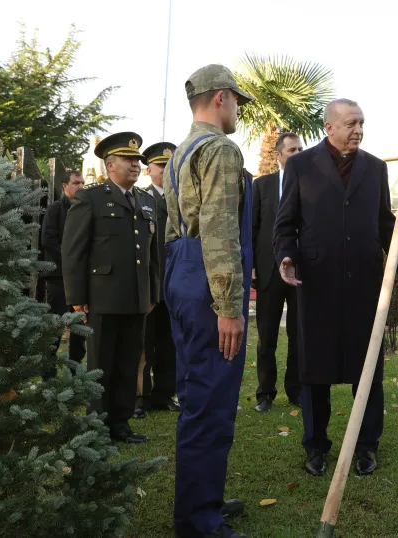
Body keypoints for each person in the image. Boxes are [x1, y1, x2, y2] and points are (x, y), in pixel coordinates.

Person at [274, 98, 398, 479]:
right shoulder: (299, 166)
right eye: (351, 124)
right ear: (329, 127)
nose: (358, 130)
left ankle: (366, 446)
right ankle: (315, 446)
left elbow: (383, 221)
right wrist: (286, 257)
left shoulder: (374, 168)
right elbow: (285, 224)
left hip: (363, 284)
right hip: (316, 283)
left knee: (368, 368)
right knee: (315, 370)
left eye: (362, 123)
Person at [164, 64, 255, 538]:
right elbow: (219, 231)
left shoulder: (181, 152)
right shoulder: (219, 148)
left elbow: (172, 231)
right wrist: (229, 308)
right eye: (237, 99)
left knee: (195, 397)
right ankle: (199, 521)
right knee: (211, 402)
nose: (239, 108)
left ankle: (202, 500)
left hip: (181, 272)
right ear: (220, 98)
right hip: (205, 279)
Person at [62, 132, 159, 444]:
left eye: (137, 160)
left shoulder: (145, 201)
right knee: (102, 364)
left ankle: (122, 423)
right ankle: (98, 427)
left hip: (137, 298)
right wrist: (77, 298)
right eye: (129, 160)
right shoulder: (90, 197)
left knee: (129, 364)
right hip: (102, 297)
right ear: (109, 164)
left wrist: (153, 293)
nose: (136, 165)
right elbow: (73, 251)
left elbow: (153, 254)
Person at [252, 132, 303, 413]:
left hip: (300, 272)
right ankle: (265, 393)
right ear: (278, 155)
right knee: (267, 335)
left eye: (300, 149)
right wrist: (251, 266)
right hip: (269, 271)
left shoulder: (312, 184)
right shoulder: (262, 186)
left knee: (298, 335)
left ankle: (295, 391)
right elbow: (253, 228)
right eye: (292, 150)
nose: (297, 153)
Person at [135, 141, 180, 417]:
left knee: (169, 344)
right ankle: (141, 397)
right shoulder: (141, 200)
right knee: (143, 345)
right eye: (161, 166)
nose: (165, 171)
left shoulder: (184, 200)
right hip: (149, 284)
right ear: (149, 169)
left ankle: (165, 394)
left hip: (175, 285)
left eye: (170, 165)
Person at [41, 170, 87, 381]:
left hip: (81, 279)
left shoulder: (85, 209)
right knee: (55, 327)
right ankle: (48, 376)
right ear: (65, 186)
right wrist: (70, 260)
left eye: (82, 183)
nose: (80, 187)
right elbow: (48, 240)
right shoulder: (55, 209)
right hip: (58, 278)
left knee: (79, 329)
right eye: (76, 183)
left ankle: (75, 374)